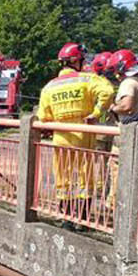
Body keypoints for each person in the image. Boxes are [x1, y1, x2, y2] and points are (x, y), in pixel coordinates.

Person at [36, 42, 114, 227]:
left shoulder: (49, 87)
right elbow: (108, 92)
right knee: (84, 177)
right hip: (83, 135)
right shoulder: (87, 79)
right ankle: (83, 220)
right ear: (76, 61)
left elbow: (43, 117)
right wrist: (95, 113)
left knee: (63, 178)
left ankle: (66, 219)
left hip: (61, 138)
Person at [105, 50, 138, 208]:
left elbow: (126, 106)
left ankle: (114, 210)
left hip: (126, 134)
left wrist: (113, 107)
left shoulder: (128, 83)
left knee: (117, 173)